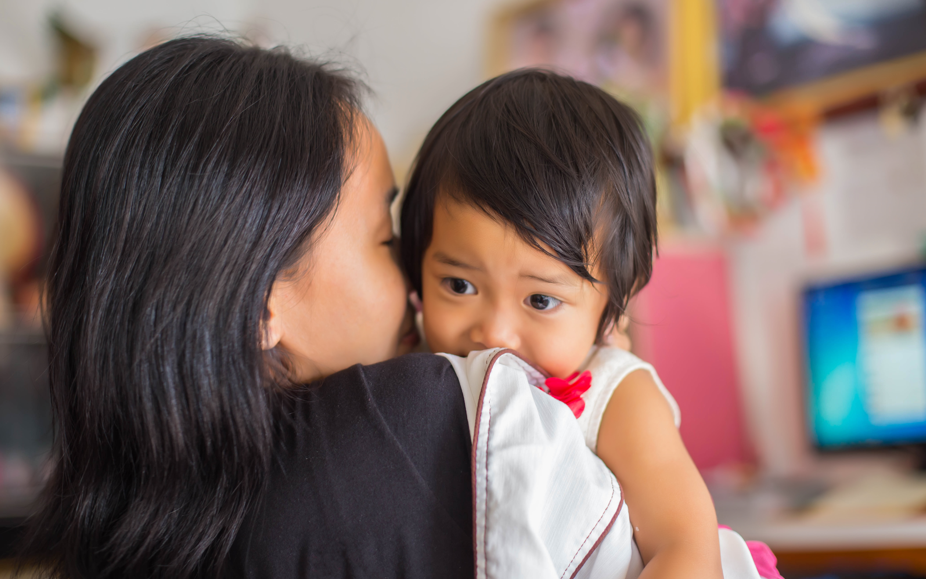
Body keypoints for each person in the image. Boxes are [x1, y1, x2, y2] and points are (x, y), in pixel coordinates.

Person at [16, 36, 474, 579]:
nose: (416, 279)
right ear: (260, 306)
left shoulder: (123, 524)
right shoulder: (408, 415)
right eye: (385, 238)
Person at [400, 69, 776, 579]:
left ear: (610, 313)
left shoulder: (617, 395)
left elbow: (683, 546)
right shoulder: (419, 366)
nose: (493, 333)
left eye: (539, 299)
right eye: (459, 286)